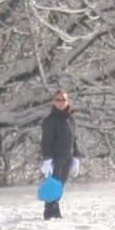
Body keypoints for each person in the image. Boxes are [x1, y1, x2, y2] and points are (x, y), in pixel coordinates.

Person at [39, 88, 82, 221]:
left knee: (60, 185)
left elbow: (74, 139)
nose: (61, 103)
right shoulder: (50, 120)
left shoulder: (70, 120)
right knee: (53, 185)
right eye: (58, 100)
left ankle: (56, 210)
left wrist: (76, 156)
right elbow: (46, 142)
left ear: (67, 101)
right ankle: (49, 212)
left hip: (67, 157)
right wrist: (47, 160)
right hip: (55, 159)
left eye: (63, 100)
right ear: (53, 102)